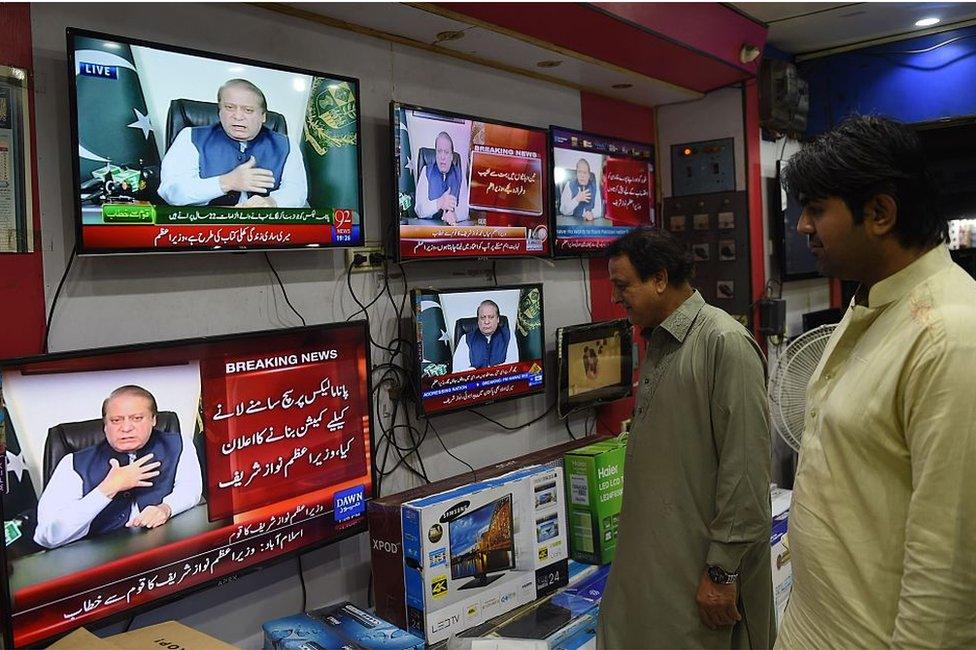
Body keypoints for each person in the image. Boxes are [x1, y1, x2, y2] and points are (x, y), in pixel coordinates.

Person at [775, 116, 976, 649]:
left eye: (817, 209)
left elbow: (948, 570)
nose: (802, 227)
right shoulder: (872, 301)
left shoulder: (951, 337)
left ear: (881, 213)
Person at [597, 228, 775, 649]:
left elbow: (746, 473)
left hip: (702, 582)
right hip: (654, 575)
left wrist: (722, 572)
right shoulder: (659, 341)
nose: (615, 298)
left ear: (659, 279)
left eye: (623, 286)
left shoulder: (723, 342)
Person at [34, 385, 203, 549]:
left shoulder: (179, 445)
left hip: (163, 549)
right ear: (105, 425)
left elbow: (190, 490)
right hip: (100, 560)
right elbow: (47, 536)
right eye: (116, 420)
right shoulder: (72, 464)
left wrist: (165, 509)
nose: (126, 428)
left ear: (153, 420)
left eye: (137, 418)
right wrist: (107, 489)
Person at [159, 78, 308, 208]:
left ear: (263, 116)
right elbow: (171, 191)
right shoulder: (190, 137)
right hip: (205, 231)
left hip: (264, 233)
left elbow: (297, 192)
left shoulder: (287, 146)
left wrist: (273, 202)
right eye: (229, 108)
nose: (237, 116)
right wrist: (227, 182)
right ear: (219, 111)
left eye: (248, 110)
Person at [415, 131, 464, 225]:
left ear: (451, 156)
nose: (442, 157)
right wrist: (439, 203)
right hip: (428, 232)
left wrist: (453, 213)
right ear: (435, 154)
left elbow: (466, 210)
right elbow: (419, 210)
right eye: (439, 151)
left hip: (453, 230)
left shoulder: (459, 174)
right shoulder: (426, 171)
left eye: (446, 152)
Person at [453, 300, 515, 371]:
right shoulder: (466, 339)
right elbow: (457, 371)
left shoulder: (508, 335)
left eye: (491, 317)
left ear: (498, 319)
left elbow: (513, 367)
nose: (486, 322)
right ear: (478, 321)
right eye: (482, 317)